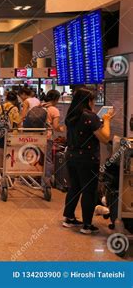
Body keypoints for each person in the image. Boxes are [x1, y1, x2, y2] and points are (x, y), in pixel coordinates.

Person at [62, 88, 114, 234]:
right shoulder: (90, 116)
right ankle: (86, 225)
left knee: (75, 187)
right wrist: (107, 121)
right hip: (87, 159)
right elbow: (105, 138)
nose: (94, 104)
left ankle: (69, 218)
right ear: (88, 101)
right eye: (93, 100)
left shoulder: (71, 114)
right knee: (89, 191)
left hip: (71, 156)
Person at [40, 90, 66, 181]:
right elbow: (55, 126)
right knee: (47, 160)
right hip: (47, 137)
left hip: (36, 137)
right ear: (56, 99)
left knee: (38, 158)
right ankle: (46, 181)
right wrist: (62, 129)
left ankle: (37, 178)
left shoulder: (40, 106)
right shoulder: (54, 110)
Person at [0, 91, 22, 168]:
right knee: (10, 151)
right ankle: (8, 169)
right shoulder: (14, 108)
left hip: (0, 131)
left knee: (0, 149)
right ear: (15, 100)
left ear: (6, 98)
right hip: (11, 133)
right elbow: (17, 121)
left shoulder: (0, 107)